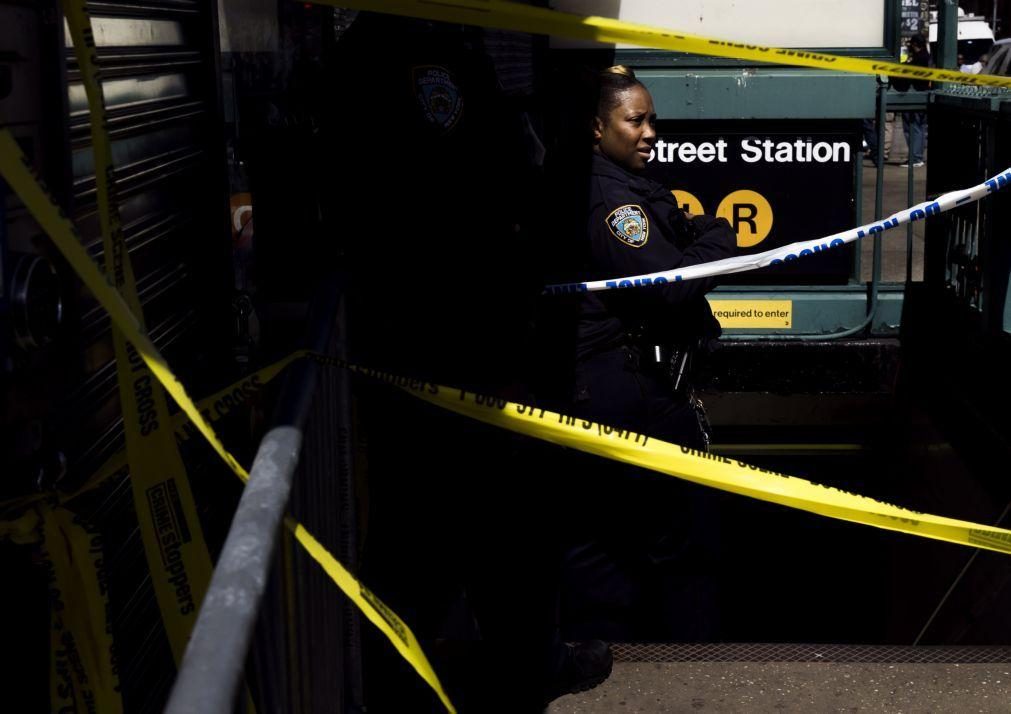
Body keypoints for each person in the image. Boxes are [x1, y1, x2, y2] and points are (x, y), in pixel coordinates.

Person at [541, 66, 737, 642]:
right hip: (624, 391)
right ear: (596, 127)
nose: (650, 131)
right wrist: (722, 237)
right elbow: (669, 280)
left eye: (652, 119)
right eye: (636, 120)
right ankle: (674, 658)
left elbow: (675, 245)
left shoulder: (625, 186)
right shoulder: (609, 201)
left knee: (612, 535)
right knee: (674, 538)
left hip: (618, 386)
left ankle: (618, 650)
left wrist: (696, 240)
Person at [892, 34, 930, 168]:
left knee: (912, 128)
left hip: (914, 94)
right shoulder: (926, 57)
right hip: (923, 95)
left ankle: (915, 158)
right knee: (919, 127)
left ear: (914, 45)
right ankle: (917, 157)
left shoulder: (918, 59)